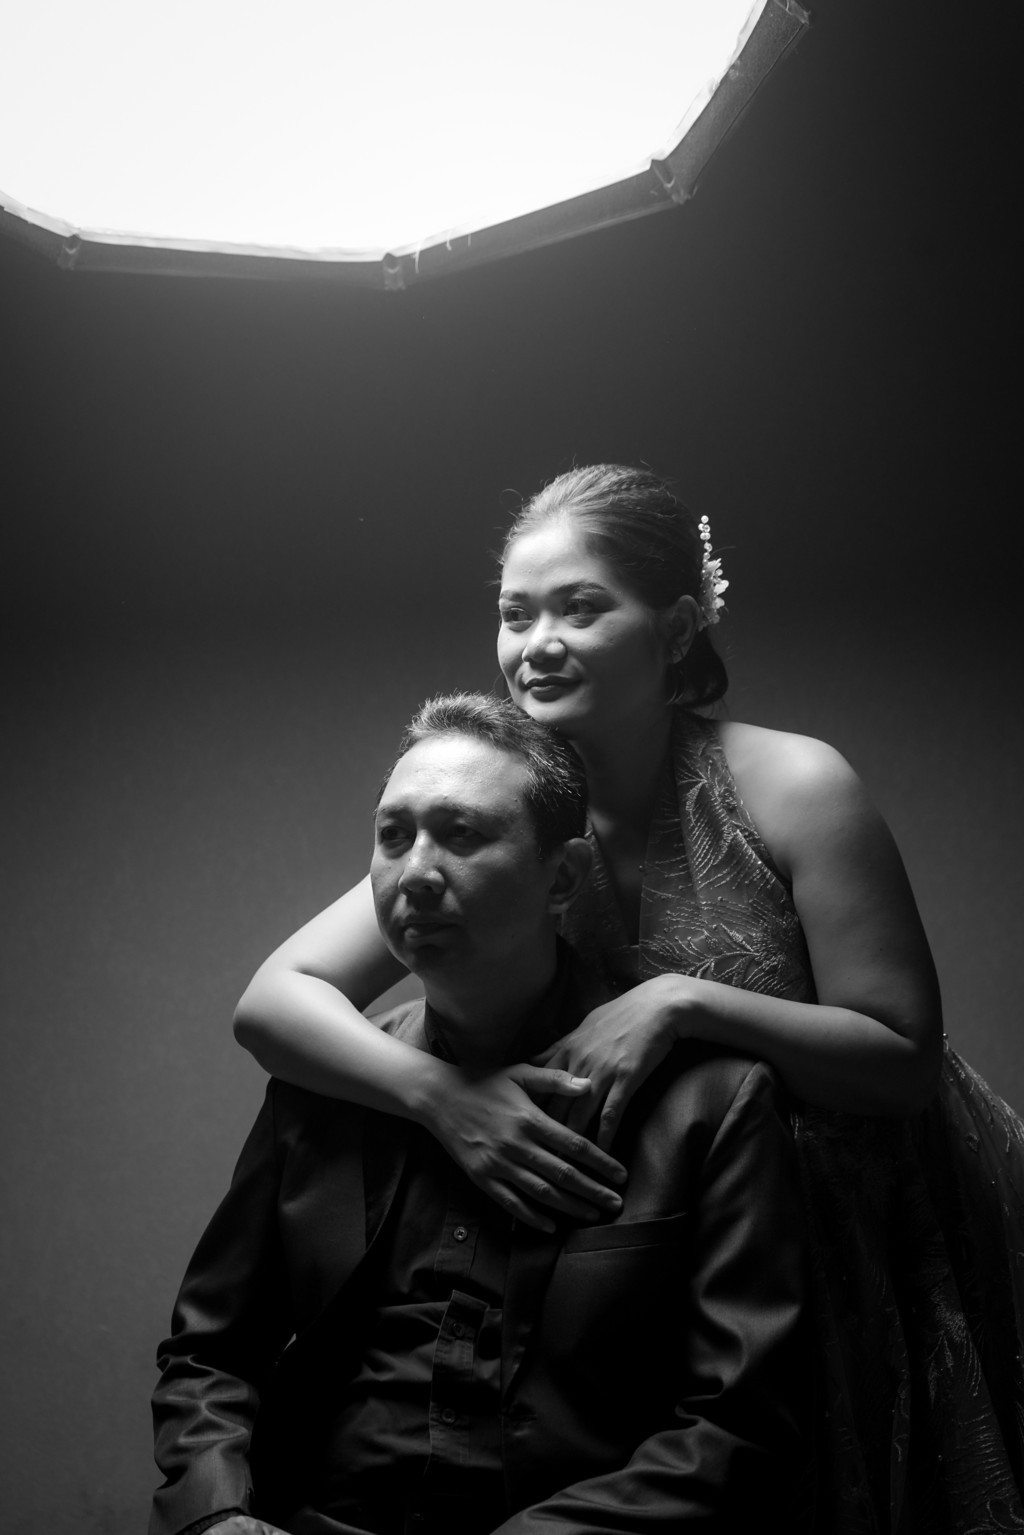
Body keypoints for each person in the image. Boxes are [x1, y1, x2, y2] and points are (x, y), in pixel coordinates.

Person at [234, 465, 1024, 1530]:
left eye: (579, 606)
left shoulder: (793, 784)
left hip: (863, 1223)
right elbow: (274, 1001)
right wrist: (444, 1099)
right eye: (516, 613)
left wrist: (685, 1003)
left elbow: (902, 1056)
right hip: (670, 1247)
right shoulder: (512, 815)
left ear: (678, 624)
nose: (537, 643)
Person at [150, 694, 809, 1535]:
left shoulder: (708, 1103)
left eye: (461, 834)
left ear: (561, 878)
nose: (416, 873)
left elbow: (741, 1427)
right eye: (394, 835)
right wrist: (215, 1515)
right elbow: (209, 1351)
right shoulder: (322, 1085)